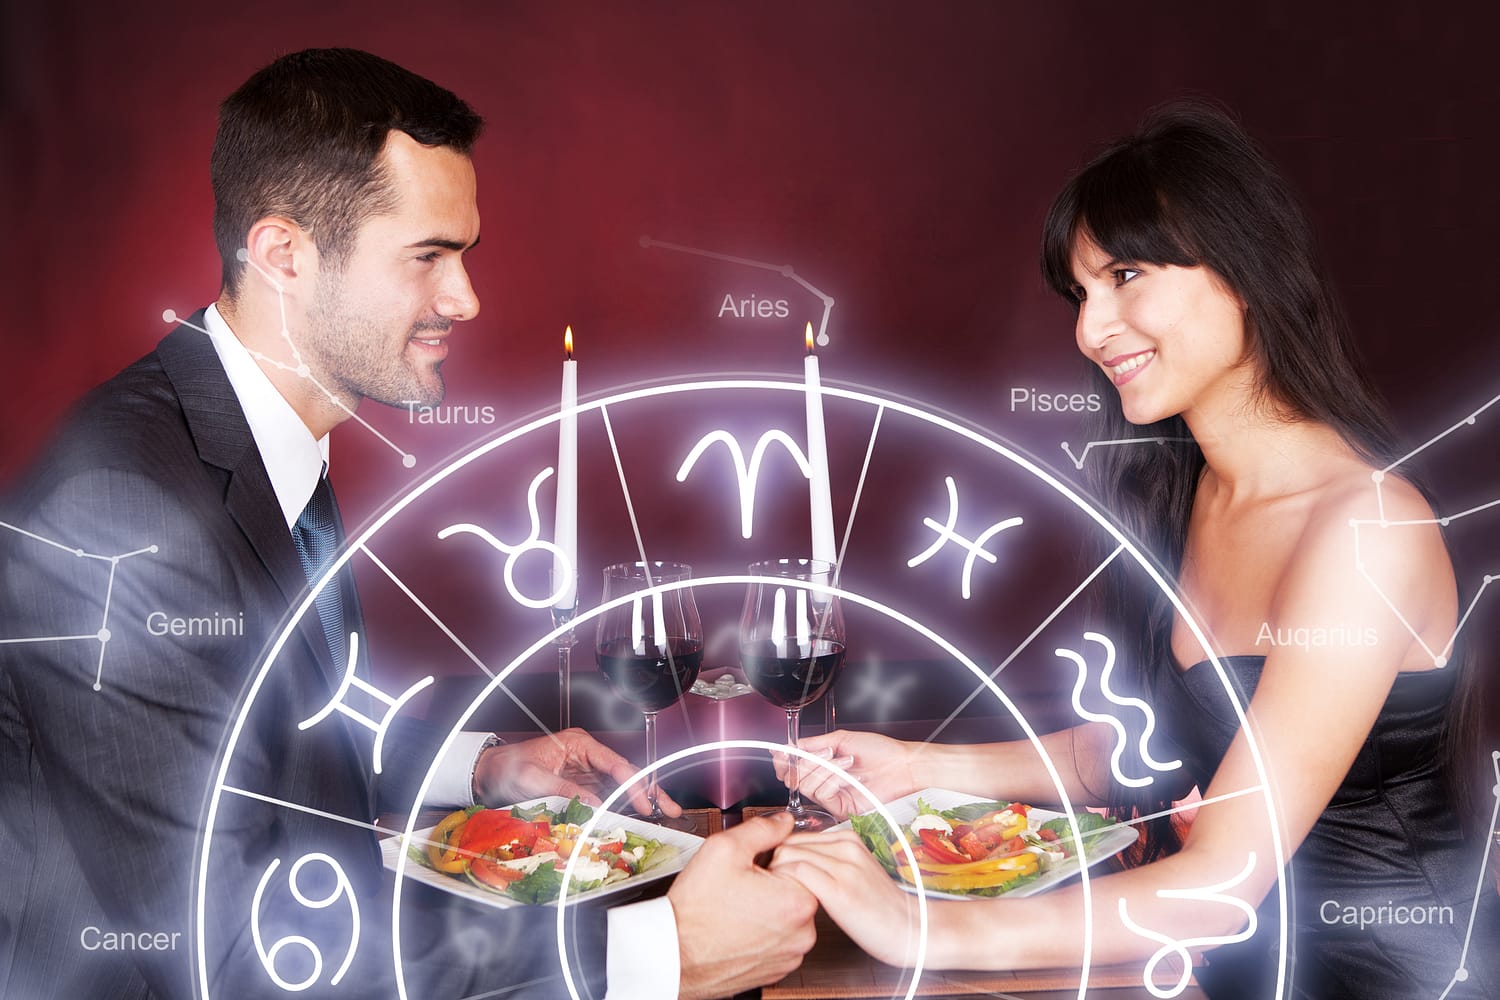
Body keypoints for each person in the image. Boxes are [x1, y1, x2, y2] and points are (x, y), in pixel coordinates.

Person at [0, 47, 815, 999]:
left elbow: (257, 748)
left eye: (463, 253)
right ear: (284, 256)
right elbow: (227, 953)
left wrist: (480, 770)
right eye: (429, 256)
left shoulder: (257, 433)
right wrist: (655, 956)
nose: (467, 298)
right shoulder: (121, 510)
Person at [768, 102, 1498, 999]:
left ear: (1246, 273)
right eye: (1081, 293)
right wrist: (920, 767)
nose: (1091, 328)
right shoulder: (1190, 497)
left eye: (1125, 274)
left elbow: (1219, 883)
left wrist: (920, 925)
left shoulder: (1366, 531)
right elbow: (1177, 741)